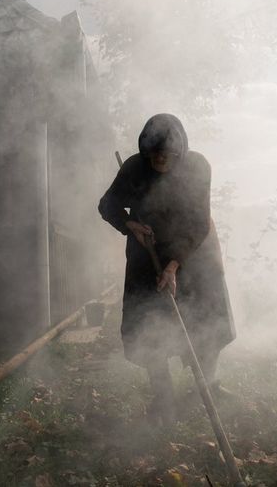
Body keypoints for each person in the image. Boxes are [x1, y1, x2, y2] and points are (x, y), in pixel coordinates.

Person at [98, 113, 236, 424]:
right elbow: (107, 204)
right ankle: (163, 398)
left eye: (167, 154)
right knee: (149, 324)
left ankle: (208, 387)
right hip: (146, 256)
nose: (160, 159)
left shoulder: (197, 167)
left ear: (180, 151)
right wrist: (128, 223)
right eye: (154, 154)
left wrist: (174, 266)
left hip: (195, 251)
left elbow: (199, 221)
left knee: (206, 319)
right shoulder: (134, 168)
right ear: (145, 151)